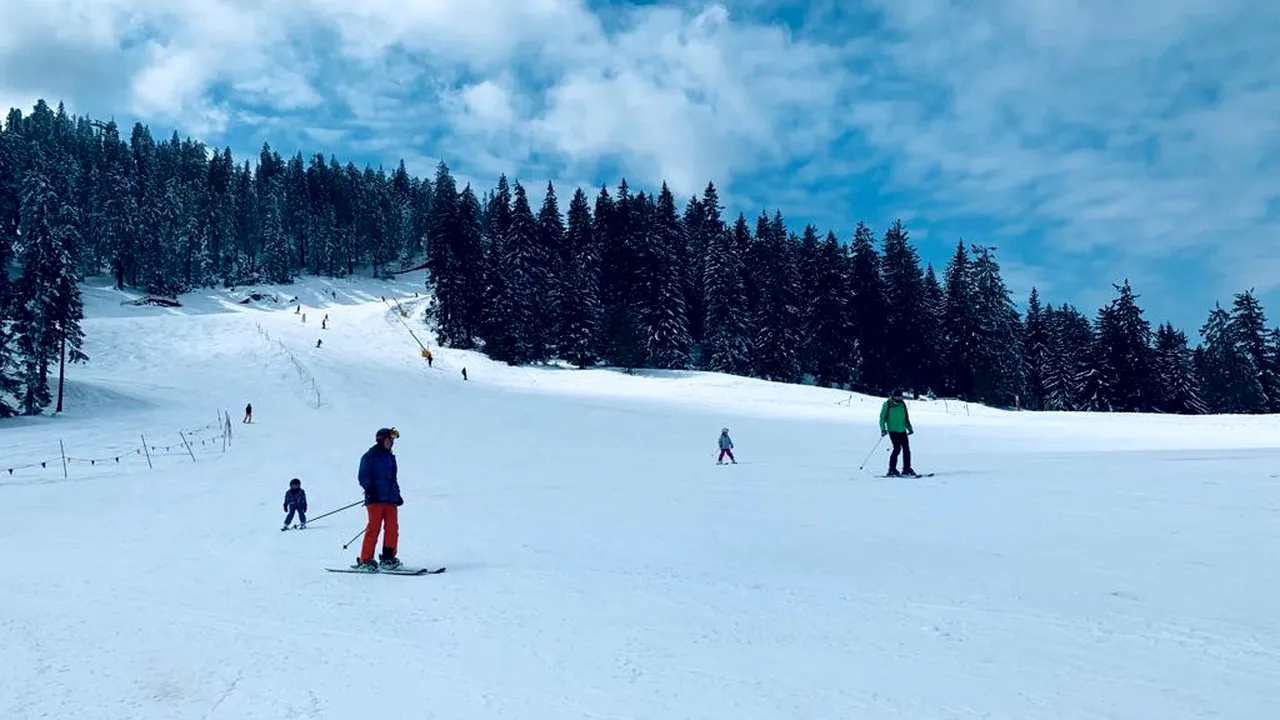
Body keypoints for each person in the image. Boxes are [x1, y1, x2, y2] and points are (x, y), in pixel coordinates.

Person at [352, 427, 404, 571]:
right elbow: (363, 476)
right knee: (374, 528)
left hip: (390, 499)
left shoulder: (391, 457)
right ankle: (365, 559)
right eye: (389, 440)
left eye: (392, 440)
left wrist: (397, 494)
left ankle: (388, 558)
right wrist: (370, 490)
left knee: (392, 529)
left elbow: (393, 479)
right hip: (375, 499)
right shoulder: (370, 457)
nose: (392, 443)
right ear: (381, 440)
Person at [878, 389, 916, 476]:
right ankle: (892, 469)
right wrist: (883, 429)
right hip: (893, 430)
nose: (899, 398)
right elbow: (882, 418)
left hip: (902, 430)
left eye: (900, 396)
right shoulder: (887, 404)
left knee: (906, 450)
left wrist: (909, 428)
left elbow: (905, 418)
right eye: (897, 396)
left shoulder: (902, 404)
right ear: (893, 396)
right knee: (897, 449)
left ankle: (906, 468)